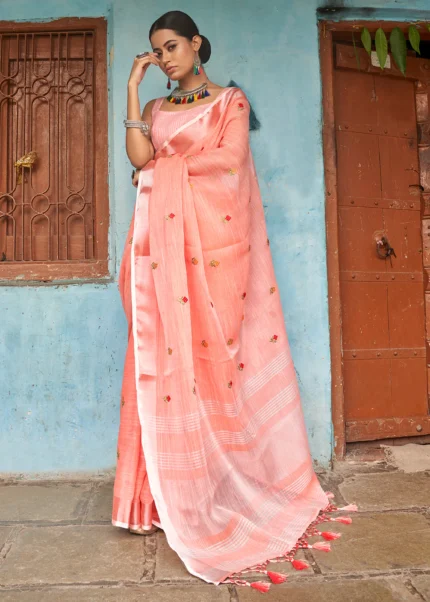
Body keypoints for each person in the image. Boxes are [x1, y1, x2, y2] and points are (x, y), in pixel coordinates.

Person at [111, 10, 354, 593]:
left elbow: (229, 164)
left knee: (211, 368)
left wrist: (165, 171)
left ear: (197, 45)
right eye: (157, 52)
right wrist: (131, 90)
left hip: (215, 252)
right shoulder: (156, 110)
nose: (166, 58)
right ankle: (154, 500)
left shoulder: (229, 104)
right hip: (164, 258)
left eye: (172, 47)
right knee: (161, 364)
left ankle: (219, 489)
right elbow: (139, 161)